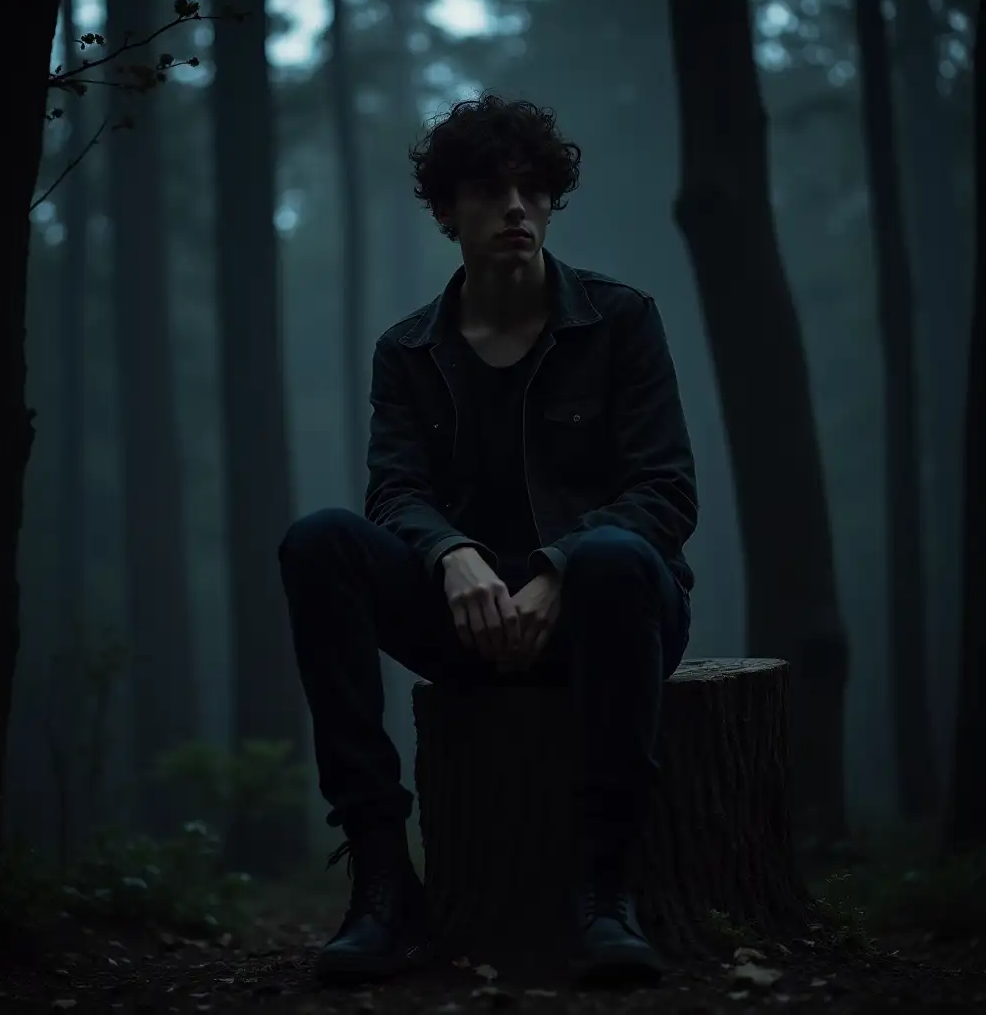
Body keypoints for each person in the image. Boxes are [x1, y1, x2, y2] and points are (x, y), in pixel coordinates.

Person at [278, 93, 698, 986]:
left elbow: (665, 490)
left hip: (606, 615)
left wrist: (560, 568)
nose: (517, 206)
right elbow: (394, 490)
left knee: (619, 557)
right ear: (445, 212)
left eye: (534, 189)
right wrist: (451, 555)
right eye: (490, 189)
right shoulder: (411, 351)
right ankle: (384, 884)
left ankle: (605, 892)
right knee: (320, 543)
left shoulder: (620, 320)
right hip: (465, 621)